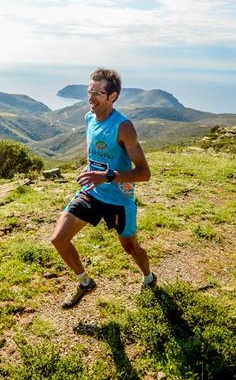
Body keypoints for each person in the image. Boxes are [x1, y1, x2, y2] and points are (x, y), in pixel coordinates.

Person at [50, 68, 156, 309]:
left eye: (98, 93)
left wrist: (108, 176)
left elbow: (144, 173)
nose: (91, 97)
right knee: (59, 239)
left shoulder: (124, 127)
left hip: (119, 199)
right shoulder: (89, 118)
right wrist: (93, 174)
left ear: (113, 96)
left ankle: (149, 278)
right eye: (89, 91)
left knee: (130, 247)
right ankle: (85, 282)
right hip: (92, 192)